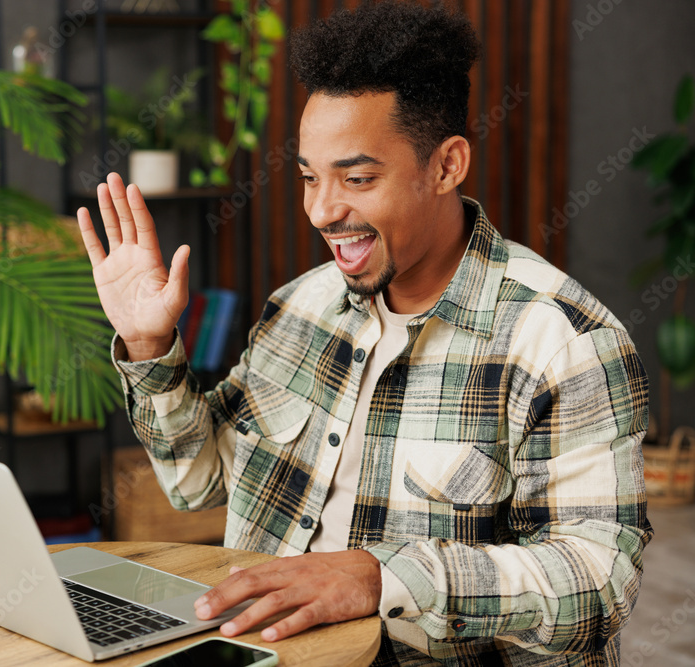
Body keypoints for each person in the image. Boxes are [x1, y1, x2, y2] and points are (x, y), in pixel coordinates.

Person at [76, 2, 652, 664]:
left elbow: (599, 582)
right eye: (309, 177)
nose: (322, 210)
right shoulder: (298, 309)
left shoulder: (564, 341)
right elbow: (198, 482)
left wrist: (383, 578)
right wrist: (150, 346)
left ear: (446, 165)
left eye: (357, 178)